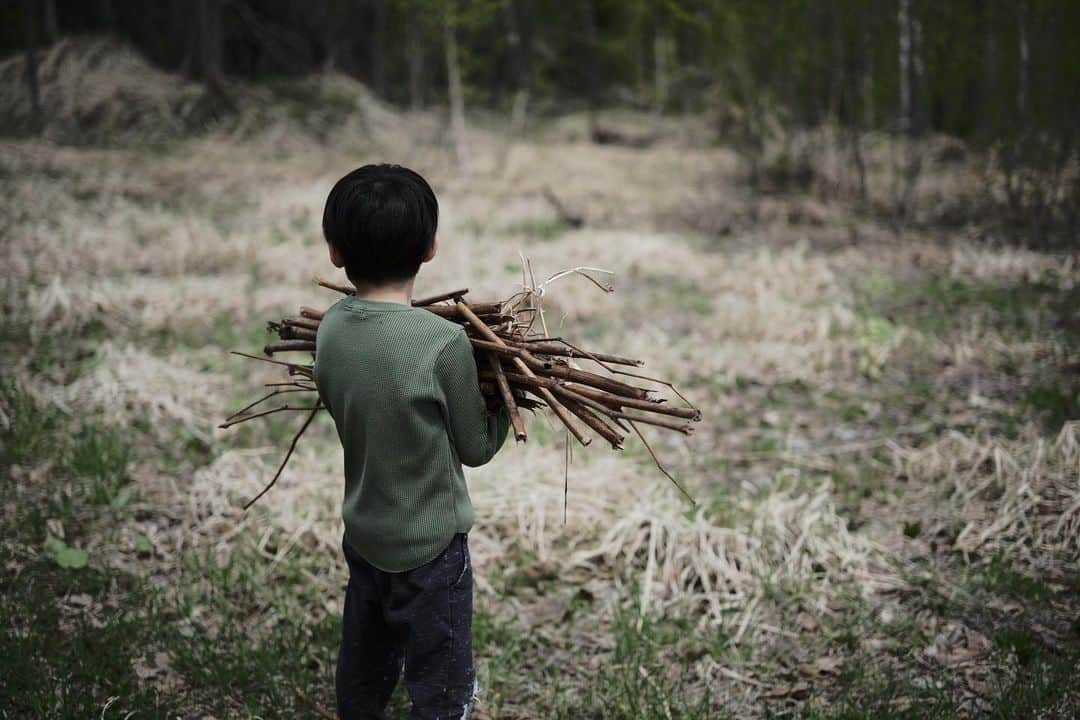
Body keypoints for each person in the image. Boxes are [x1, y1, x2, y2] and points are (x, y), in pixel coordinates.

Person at [313, 164, 512, 719]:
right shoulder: (445, 343)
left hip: (365, 530)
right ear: (430, 247)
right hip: (432, 549)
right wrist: (505, 410)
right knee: (440, 681)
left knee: (366, 658)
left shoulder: (329, 329)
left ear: (335, 251)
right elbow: (474, 447)